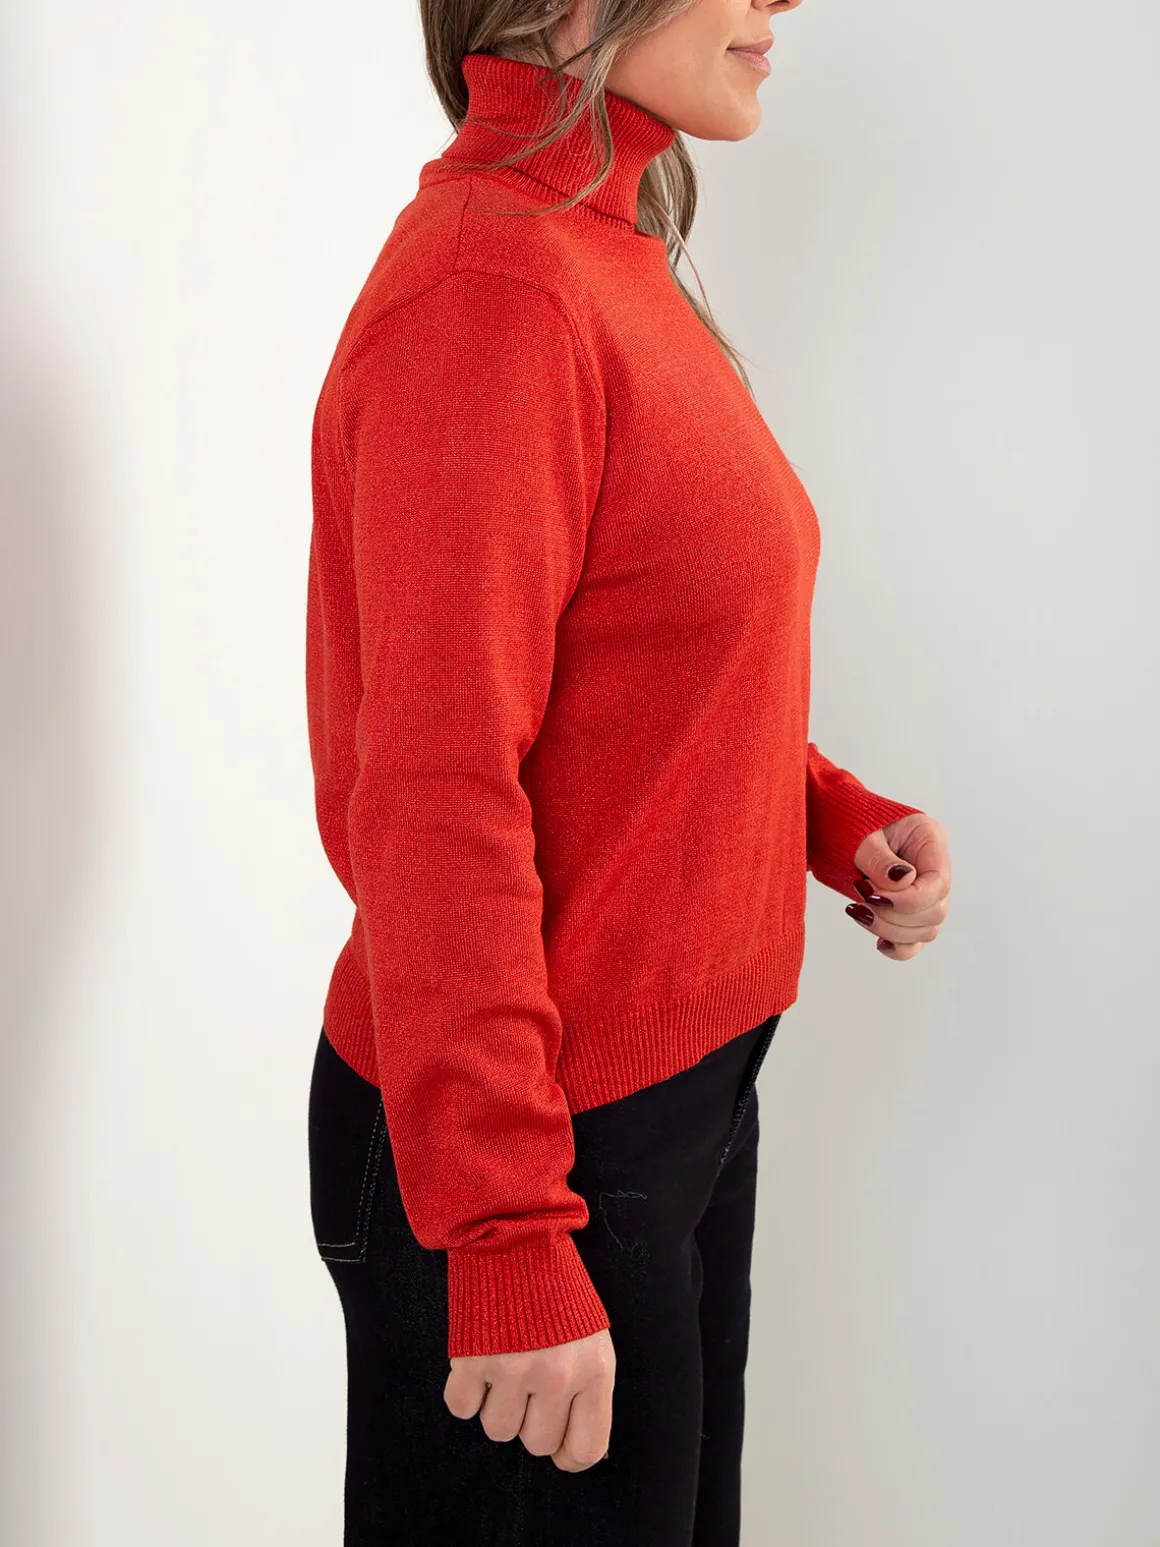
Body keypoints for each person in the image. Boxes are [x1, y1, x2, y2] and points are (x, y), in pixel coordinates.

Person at [304, 1, 952, 1542]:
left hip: (668, 1113)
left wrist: (829, 817)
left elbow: (634, 668)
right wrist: (506, 1234)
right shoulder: (492, 290)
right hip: (530, 1153)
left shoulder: (603, 247)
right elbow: (438, 790)